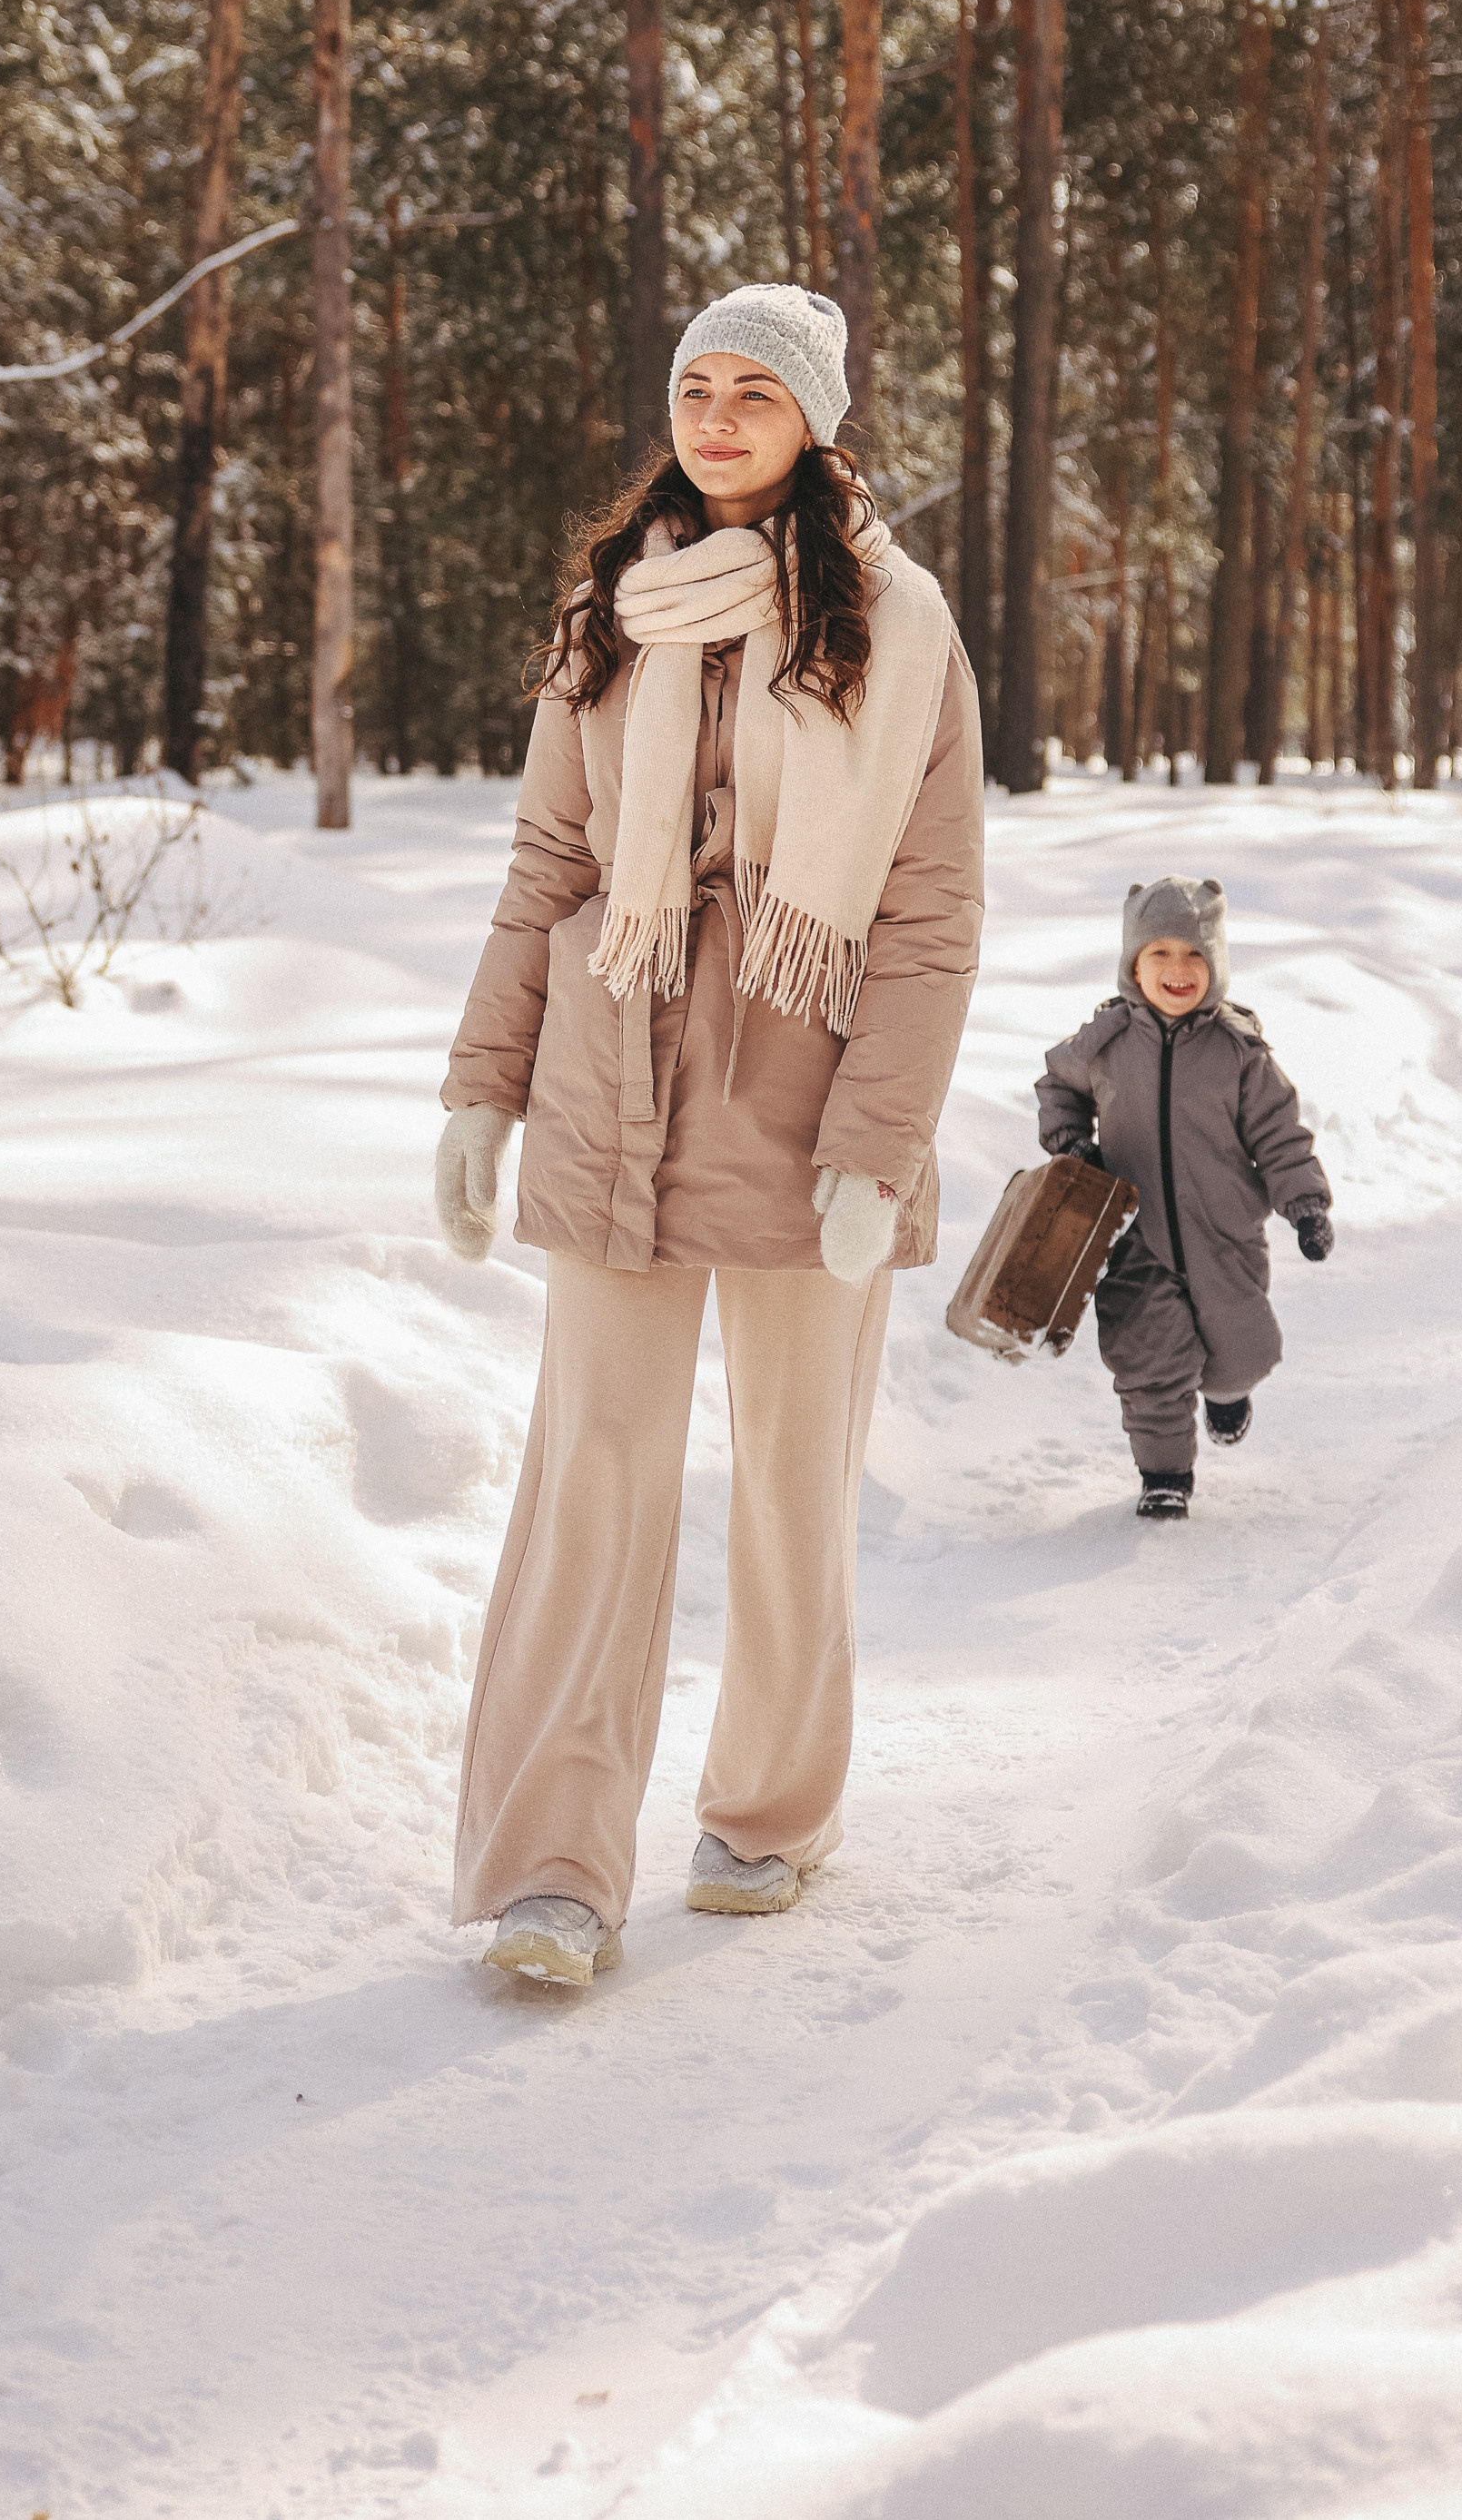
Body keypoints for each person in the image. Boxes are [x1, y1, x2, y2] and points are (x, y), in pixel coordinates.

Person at [433, 283, 984, 1987]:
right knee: (585, 1488)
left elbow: (926, 913)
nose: (720, 415)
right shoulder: (613, 609)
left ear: (814, 418)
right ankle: (548, 1869)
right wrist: (482, 1086)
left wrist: (874, 1146)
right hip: (613, 1087)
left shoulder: (894, 624)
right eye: (695, 386)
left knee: (787, 1483)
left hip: (803, 1097)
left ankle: (768, 1811)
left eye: (757, 390)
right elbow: (548, 862)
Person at [1035, 876, 1334, 1521]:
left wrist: (1305, 1203)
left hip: (1222, 1233)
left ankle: (1227, 1393)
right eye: (1159, 954)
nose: (1177, 969)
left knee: (1240, 1349)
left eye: (1194, 954)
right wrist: (1070, 1144)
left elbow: (1279, 1136)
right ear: (1132, 964)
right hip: (1131, 1238)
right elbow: (1057, 1086)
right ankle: (1164, 1474)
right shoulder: (1106, 1041)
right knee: (1146, 1359)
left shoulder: (1238, 1052)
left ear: (1216, 964)